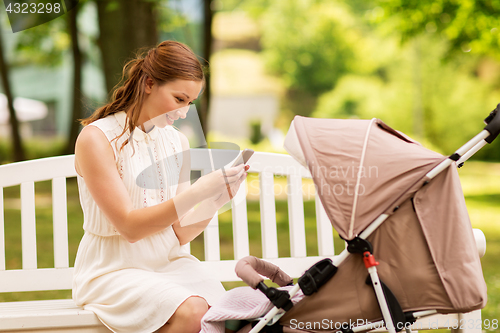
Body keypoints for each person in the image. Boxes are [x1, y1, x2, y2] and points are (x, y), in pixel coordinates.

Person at [72, 40, 247, 333]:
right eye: (179, 99)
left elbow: (179, 232)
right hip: (112, 270)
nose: (183, 112)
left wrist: (215, 200)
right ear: (149, 83)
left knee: (225, 314)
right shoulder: (96, 138)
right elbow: (129, 228)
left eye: (190, 103)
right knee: (193, 311)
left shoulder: (176, 141)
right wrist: (198, 190)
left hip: (170, 264)